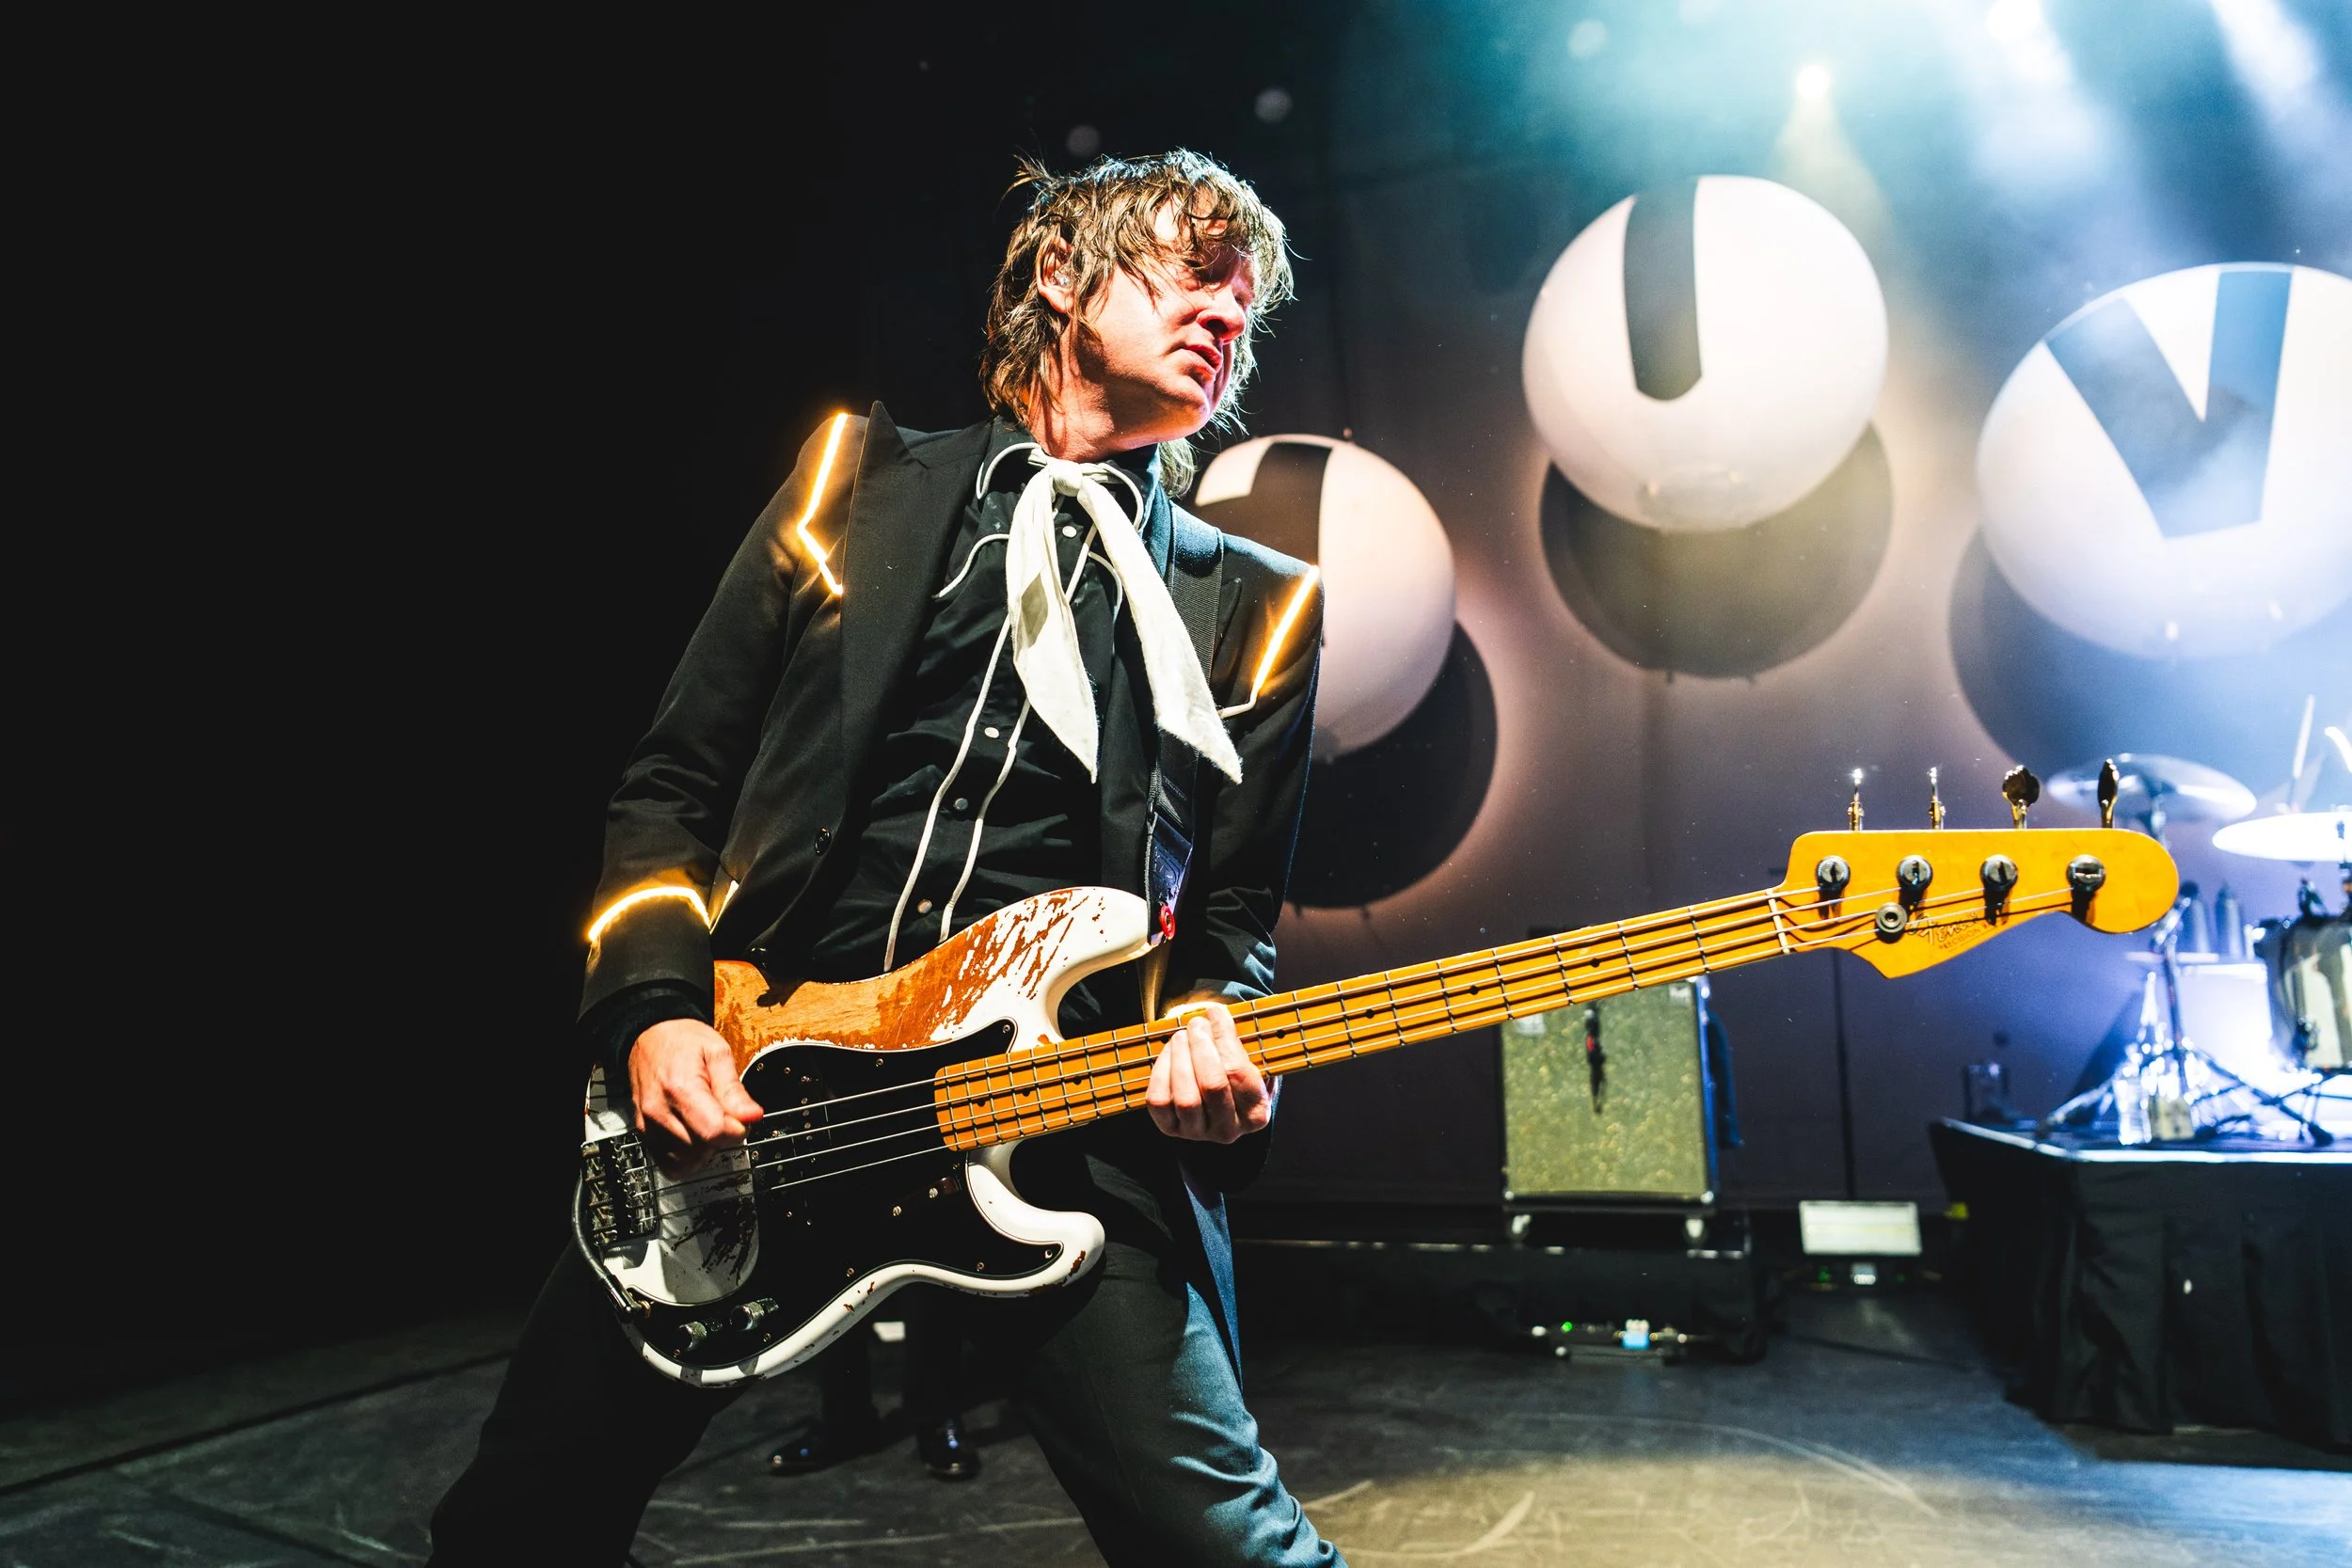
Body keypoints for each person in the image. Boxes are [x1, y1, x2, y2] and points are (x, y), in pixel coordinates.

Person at [428, 149, 1344, 1567]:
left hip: (1053, 1123)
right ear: (1062, 275)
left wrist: (1216, 1028)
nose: (1227, 311)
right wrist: (655, 1010)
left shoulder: (1257, 608)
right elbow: (674, 782)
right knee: (520, 1520)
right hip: (760, 1093)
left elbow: (1226, 923)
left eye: (1246, 298)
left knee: (1227, 1548)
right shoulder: (853, 482)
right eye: (1192, 270)